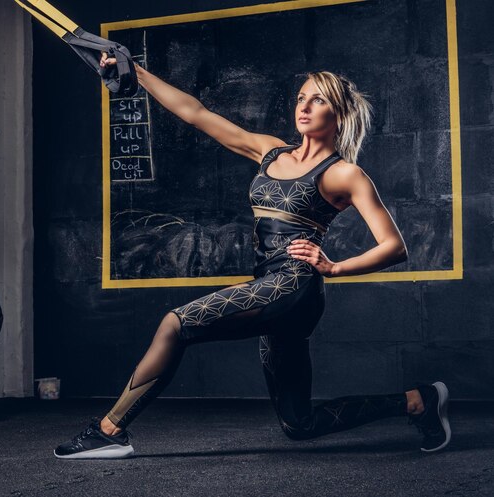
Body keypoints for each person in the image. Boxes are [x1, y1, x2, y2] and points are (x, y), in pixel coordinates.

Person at [53, 55, 452, 459]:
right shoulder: (270, 152)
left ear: (340, 112)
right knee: (300, 425)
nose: (304, 107)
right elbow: (196, 113)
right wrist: (134, 71)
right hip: (268, 285)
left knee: (176, 323)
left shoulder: (344, 174)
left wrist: (334, 267)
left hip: (294, 286)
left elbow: (394, 246)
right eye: (301, 98)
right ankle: (416, 401)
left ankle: (109, 430)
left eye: (318, 100)